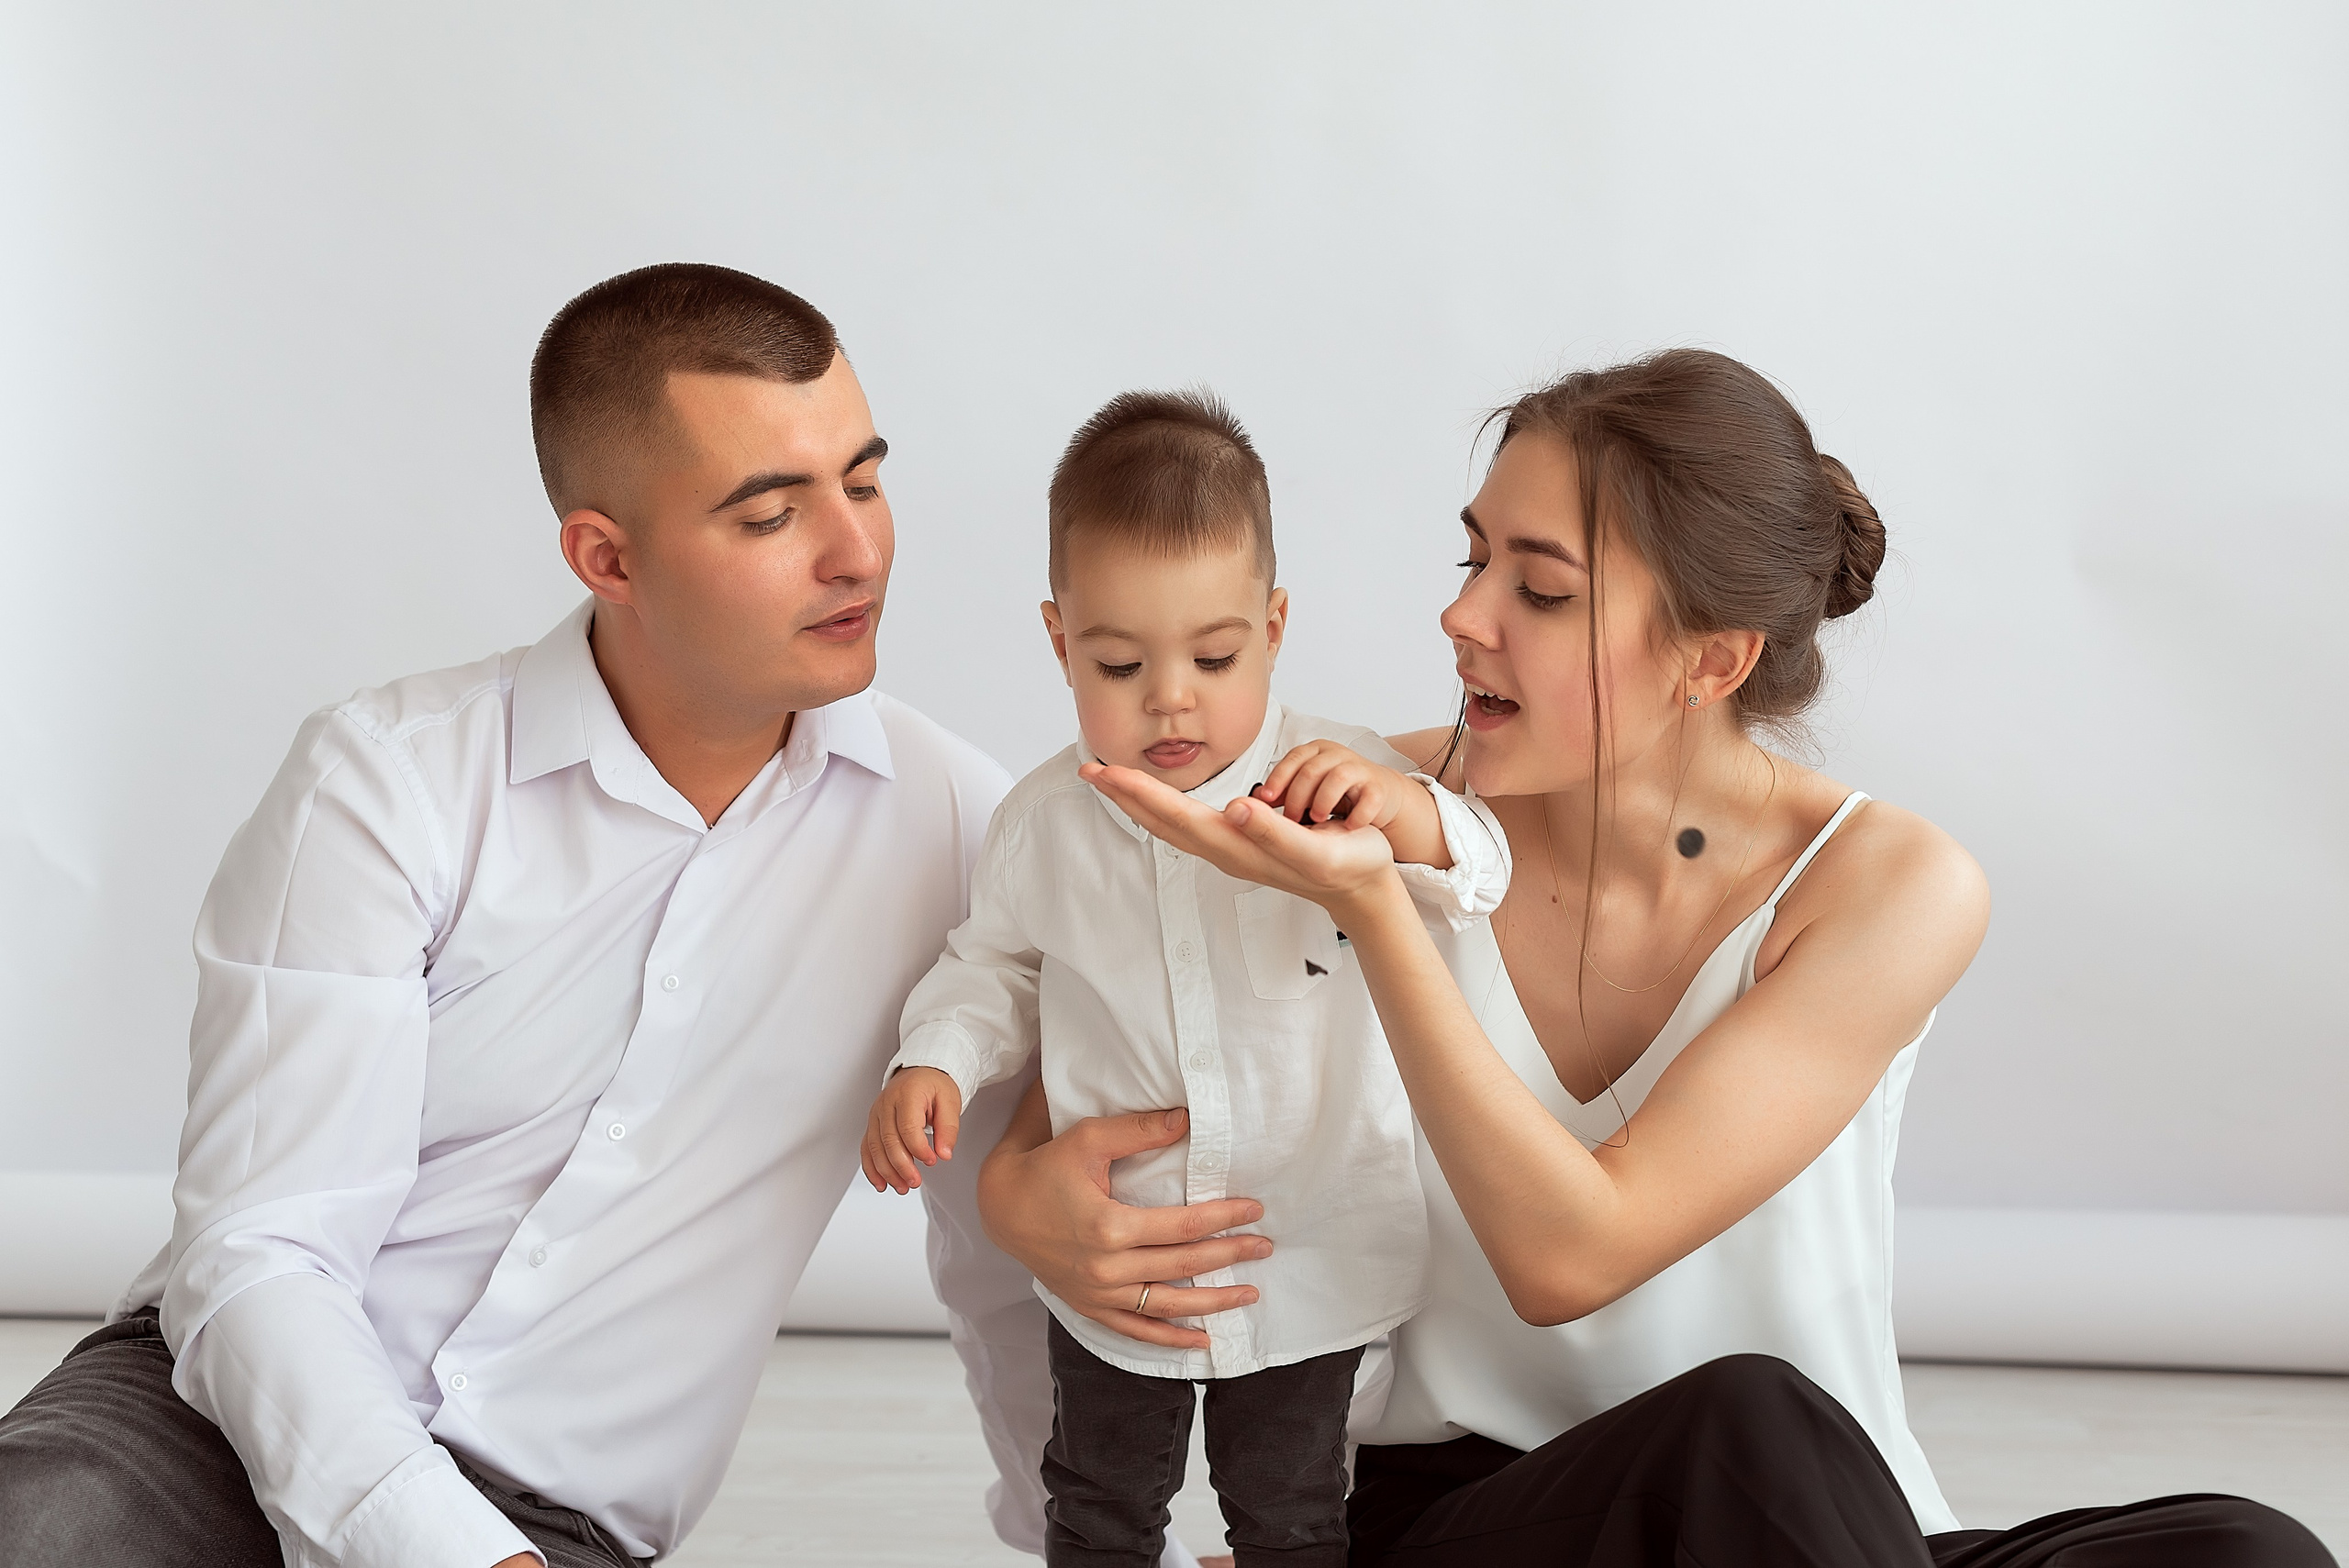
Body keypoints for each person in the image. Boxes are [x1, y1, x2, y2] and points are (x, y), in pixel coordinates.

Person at [976, 350, 2337, 1567]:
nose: (1464, 617)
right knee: (1744, 1429)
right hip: (1475, 1516)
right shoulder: (1357, 813)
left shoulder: (1885, 885)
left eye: (1539, 589)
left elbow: (1584, 1243)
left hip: (1830, 1525)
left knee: (2246, 1551)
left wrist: (1381, 913)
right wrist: (1018, 1197)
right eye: (1472, 560)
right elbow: (1099, 1064)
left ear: (1711, 660)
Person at [0, 262, 1059, 1568]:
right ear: (607, 556)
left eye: (865, 480)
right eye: (772, 513)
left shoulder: (961, 827)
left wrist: (1106, 1547)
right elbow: (264, 1248)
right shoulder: (385, 782)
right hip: (200, 1425)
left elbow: (1008, 1252)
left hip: (558, 1514)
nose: (858, 553)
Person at [863, 390, 1508, 1567]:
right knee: (1097, 1502)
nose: (1170, 695)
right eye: (1118, 661)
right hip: (1119, 1253)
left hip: (1304, 1245)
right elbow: (992, 963)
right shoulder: (1043, 822)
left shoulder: (1342, 780)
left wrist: (1408, 815)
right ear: (1059, 640)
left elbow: (1480, 873)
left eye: (1214, 656)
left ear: (1273, 626)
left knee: (1293, 1512)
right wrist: (935, 1060)